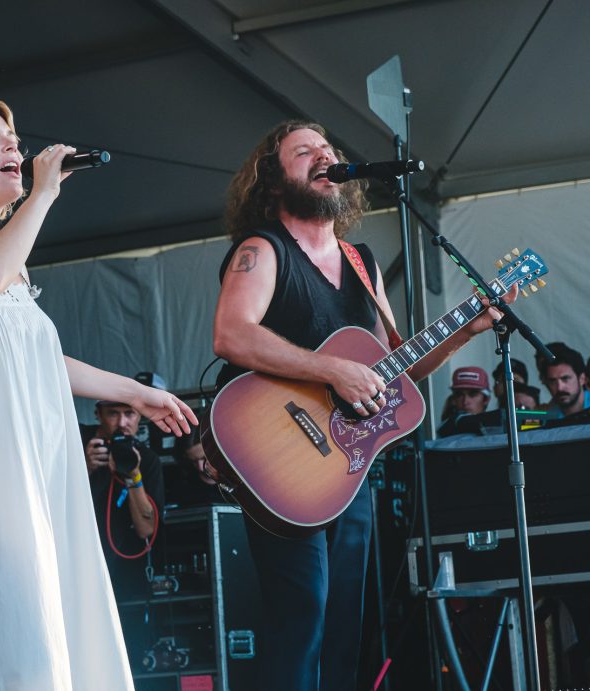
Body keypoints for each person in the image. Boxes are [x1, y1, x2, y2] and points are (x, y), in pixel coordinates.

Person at [0, 95, 197, 691]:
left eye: (13, 137)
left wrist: (135, 395)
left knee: (62, 638)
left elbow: (40, 359)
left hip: (39, 473)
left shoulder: (16, 271)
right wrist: (43, 195)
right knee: (17, 645)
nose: (14, 146)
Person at [211, 120, 516, 690]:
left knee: (345, 626)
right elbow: (231, 335)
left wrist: (466, 330)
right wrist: (331, 368)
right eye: (305, 152)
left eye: (328, 150)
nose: (324, 157)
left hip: (346, 468)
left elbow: (394, 371)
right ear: (274, 179)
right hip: (278, 456)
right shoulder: (262, 248)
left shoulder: (360, 260)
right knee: (303, 615)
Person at [84, 398, 165, 597]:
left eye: (129, 414)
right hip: (71, 549)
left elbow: (146, 529)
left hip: (114, 561)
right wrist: (84, 467)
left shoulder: (146, 459)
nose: (122, 423)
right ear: (98, 414)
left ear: (140, 416)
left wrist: (133, 475)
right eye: (113, 413)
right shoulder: (76, 438)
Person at [540, 342, 590, 419]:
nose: (560, 387)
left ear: (582, 379)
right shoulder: (545, 417)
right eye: (553, 381)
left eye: (565, 378)